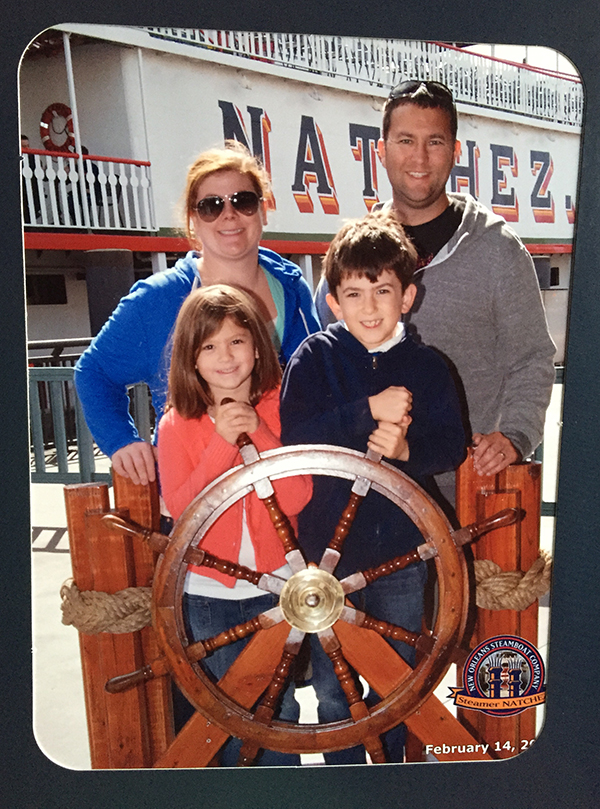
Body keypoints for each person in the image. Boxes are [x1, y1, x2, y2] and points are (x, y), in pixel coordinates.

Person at [280, 211, 466, 764]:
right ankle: (345, 784)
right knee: (337, 689)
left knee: (398, 681)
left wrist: (408, 451)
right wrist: (367, 411)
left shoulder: (429, 367)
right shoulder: (312, 359)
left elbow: (451, 443)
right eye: (353, 293)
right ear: (332, 301)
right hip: (325, 558)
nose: (368, 306)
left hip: (402, 553)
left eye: (383, 290)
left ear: (407, 296)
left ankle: (391, 780)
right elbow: (296, 439)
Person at [315, 80, 555, 504]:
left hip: (470, 489)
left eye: (435, 141)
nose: (419, 158)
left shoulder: (498, 250)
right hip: (370, 497)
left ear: (455, 151)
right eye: (406, 140)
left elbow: (532, 358)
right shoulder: (352, 253)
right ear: (381, 150)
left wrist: (516, 436)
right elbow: (325, 360)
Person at [75, 141, 321, 487]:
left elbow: (319, 381)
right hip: (201, 494)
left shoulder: (293, 289)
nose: (229, 215)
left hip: (286, 489)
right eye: (210, 207)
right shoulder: (157, 300)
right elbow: (93, 371)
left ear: (263, 211)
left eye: (244, 201)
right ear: (193, 221)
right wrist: (121, 441)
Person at [158, 284, 312, 766]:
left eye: (236, 341)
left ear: (257, 346)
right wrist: (223, 443)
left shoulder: (282, 410)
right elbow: (184, 514)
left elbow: (298, 494)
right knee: (227, 710)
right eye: (209, 346)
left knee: (280, 706)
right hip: (209, 593)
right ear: (192, 359)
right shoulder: (176, 426)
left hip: (277, 587)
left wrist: (260, 433)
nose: (225, 356)